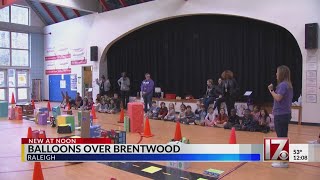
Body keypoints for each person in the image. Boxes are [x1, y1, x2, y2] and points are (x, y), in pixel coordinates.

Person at [268, 65, 293, 168]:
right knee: (283, 136)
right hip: (285, 114)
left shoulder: (282, 85)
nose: (276, 74)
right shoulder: (288, 85)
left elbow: (278, 98)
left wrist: (271, 90)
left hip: (281, 114)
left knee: (280, 137)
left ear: (281, 74)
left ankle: (282, 161)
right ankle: (283, 160)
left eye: (277, 72)